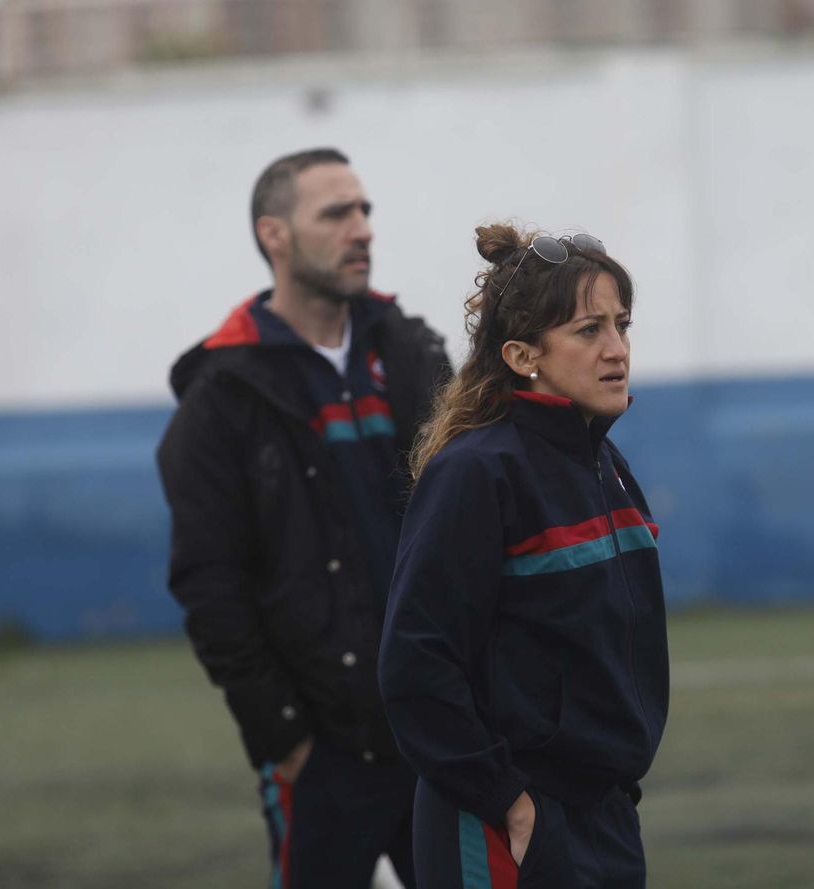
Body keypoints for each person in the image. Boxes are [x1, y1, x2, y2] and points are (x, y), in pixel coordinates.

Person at [157, 147, 452, 889]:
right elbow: (209, 586)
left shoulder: (411, 354)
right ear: (275, 236)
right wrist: (283, 737)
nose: (362, 229)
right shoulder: (224, 394)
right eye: (336, 213)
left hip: (441, 731)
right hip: (321, 751)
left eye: (365, 211)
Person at [378, 224, 670, 889]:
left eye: (622, 325)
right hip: (502, 821)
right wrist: (510, 803)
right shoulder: (476, 472)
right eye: (589, 330)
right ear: (521, 355)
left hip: (606, 815)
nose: (617, 349)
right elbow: (415, 665)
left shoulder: (607, 465)